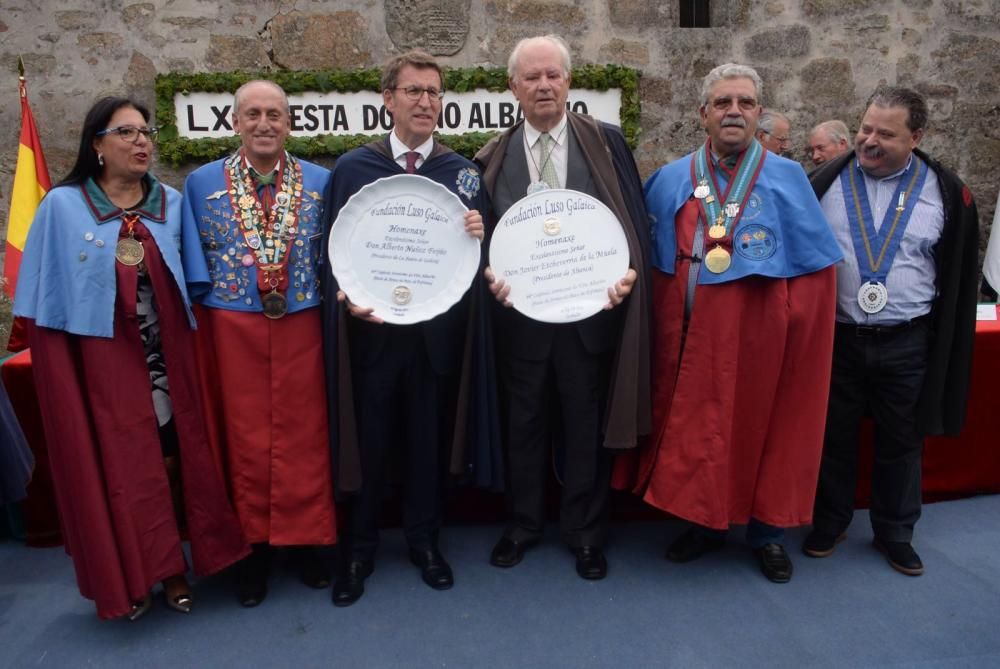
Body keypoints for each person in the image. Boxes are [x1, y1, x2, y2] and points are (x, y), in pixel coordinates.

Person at [13, 96, 249, 619]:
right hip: (102, 367)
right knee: (120, 468)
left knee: (171, 461)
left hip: (166, 365)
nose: (142, 141)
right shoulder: (63, 206)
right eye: (126, 132)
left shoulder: (171, 201)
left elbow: (195, 288)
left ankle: (176, 568)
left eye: (146, 131)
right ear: (96, 144)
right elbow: (47, 303)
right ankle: (138, 575)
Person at [616, 63, 842, 584]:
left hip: (763, 339)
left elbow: (814, 273)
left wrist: (801, 341)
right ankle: (705, 523)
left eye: (743, 102)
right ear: (703, 114)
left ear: (759, 113)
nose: (733, 111)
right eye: (722, 103)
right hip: (690, 341)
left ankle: (767, 534)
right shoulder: (672, 178)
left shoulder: (786, 179)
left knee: (772, 430)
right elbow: (646, 263)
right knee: (703, 435)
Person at [322, 50, 501, 607]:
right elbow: (329, 250)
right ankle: (359, 548)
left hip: (436, 341)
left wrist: (481, 228)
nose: (426, 102)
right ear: (389, 100)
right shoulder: (354, 168)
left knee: (428, 443)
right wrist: (343, 297)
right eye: (414, 91)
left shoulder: (463, 174)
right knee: (370, 443)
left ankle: (425, 542)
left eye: (434, 92)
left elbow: (488, 260)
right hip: (371, 338)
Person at [476, 34, 651, 580]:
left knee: (583, 425)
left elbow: (632, 223)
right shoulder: (490, 156)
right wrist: (490, 279)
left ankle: (585, 532)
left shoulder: (607, 143)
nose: (544, 85)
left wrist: (626, 277)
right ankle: (524, 524)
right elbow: (482, 244)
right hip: (520, 323)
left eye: (553, 74)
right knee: (522, 425)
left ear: (568, 81)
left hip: (589, 320)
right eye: (532, 77)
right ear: (514, 88)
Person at [806, 86, 980, 576]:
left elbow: (956, 273)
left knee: (901, 443)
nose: (869, 141)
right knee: (831, 436)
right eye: (865, 128)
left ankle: (895, 531)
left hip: (907, 340)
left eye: (885, 133)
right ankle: (830, 520)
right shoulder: (823, 182)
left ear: (916, 136)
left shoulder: (946, 191)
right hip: (837, 338)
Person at [180, 81, 337, 607]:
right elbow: (190, 261)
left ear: (289, 123)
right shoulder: (200, 183)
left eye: (274, 114)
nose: (264, 123)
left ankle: (309, 541)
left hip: (302, 322)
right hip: (232, 326)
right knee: (244, 438)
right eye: (253, 114)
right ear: (235, 122)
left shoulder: (321, 180)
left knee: (305, 435)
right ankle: (254, 551)